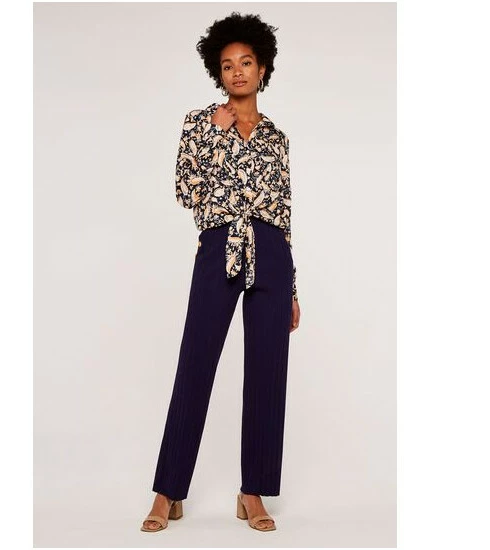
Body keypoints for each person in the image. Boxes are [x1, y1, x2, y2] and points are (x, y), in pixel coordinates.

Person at [141, 12, 301, 533]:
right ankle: (168, 491)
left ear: (262, 68)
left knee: (268, 370)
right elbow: (185, 191)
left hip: (271, 250)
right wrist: (214, 134)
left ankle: (253, 492)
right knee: (196, 363)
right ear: (218, 72)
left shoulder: (277, 138)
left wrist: (292, 287)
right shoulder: (200, 122)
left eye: (246, 62)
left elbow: (284, 213)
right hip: (219, 245)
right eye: (228, 65)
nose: (237, 72)